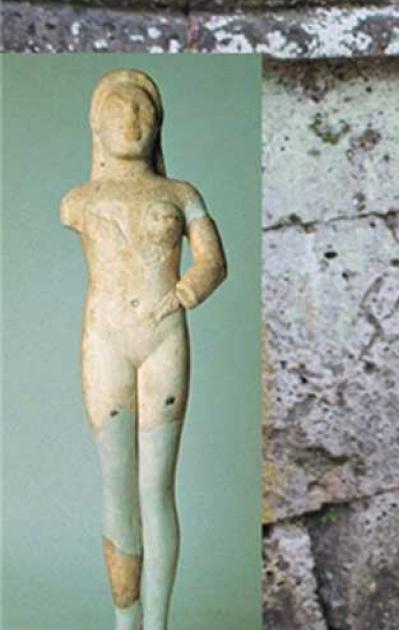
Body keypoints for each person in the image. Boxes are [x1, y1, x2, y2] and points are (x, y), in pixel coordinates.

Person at [60, 69, 227, 630]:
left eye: (143, 114)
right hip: (105, 339)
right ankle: (123, 623)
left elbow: (212, 263)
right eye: (118, 112)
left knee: (156, 487)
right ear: (97, 125)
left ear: (158, 127)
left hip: (163, 339)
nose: (131, 122)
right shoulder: (78, 201)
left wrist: (183, 293)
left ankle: (156, 624)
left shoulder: (181, 195)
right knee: (116, 484)